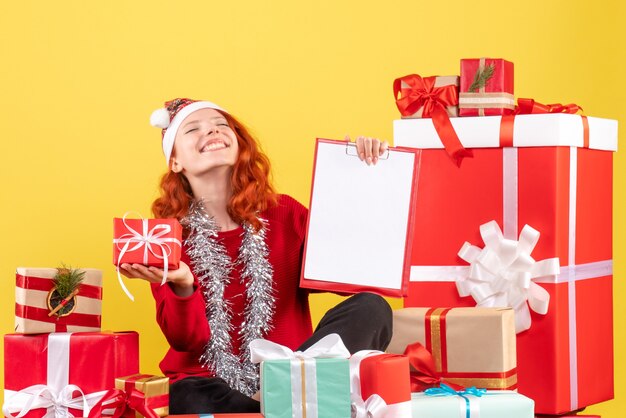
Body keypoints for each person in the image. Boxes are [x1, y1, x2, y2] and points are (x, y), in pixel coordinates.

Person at [118, 98, 393, 414]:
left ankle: (283, 389)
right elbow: (186, 342)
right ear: (175, 160)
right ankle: (284, 401)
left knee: (372, 307)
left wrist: (349, 180)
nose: (212, 131)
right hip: (212, 384)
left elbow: (351, 276)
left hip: (292, 366)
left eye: (221, 125)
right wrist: (182, 283)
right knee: (186, 395)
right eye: (193, 129)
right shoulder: (167, 237)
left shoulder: (285, 213)